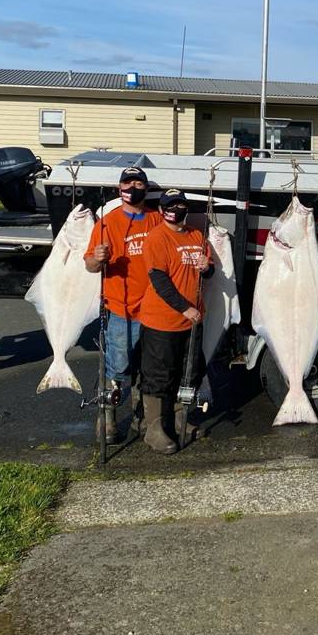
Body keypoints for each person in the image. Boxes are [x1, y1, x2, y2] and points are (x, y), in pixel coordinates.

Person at [84, 166, 161, 442]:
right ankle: (107, 419)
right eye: (127, 183)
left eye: (138, 182)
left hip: (154, 310)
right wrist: (98, 258)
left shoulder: (157, 219)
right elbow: (90, 265)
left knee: (148, 368)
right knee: (117, 367)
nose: (132, 187)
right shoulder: (107, 222)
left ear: (146, 188)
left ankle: (141, 417)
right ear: (120, 190)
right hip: (120, 309)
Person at [138, 189, 210, 454]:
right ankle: (154, 429)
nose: (175, 210)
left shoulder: (196, 235)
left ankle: (181, 418)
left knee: (188, 372)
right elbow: (159, 281)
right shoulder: (157, 237)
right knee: (158, 376)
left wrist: (207, 267)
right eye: (170, 206)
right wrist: (184, 308)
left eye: (180, 205)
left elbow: (208, 270)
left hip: (192, 321)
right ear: (161, 210)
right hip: (162, 321)